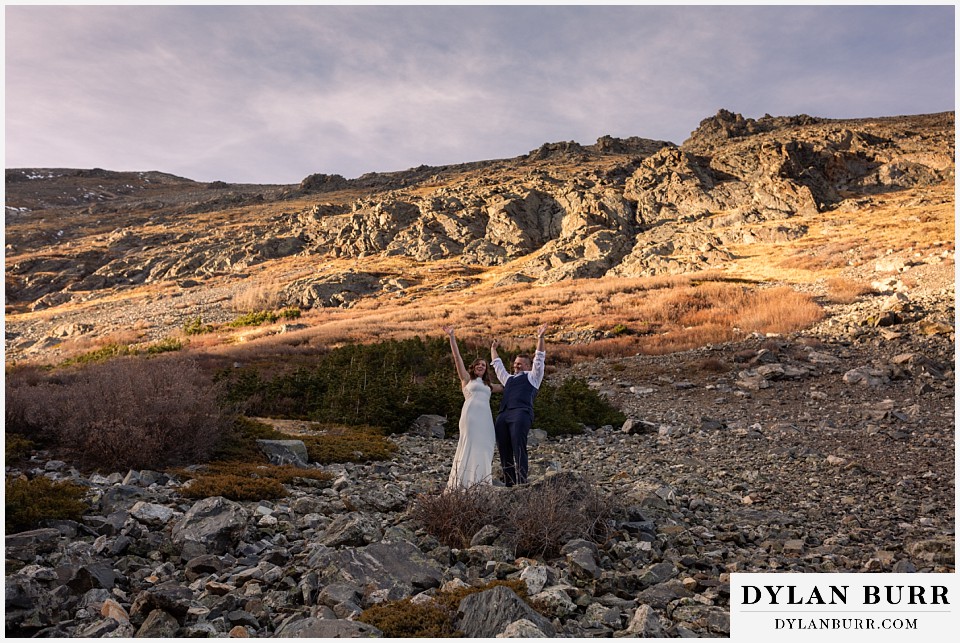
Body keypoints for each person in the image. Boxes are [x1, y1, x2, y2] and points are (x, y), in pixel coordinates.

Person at [442, 326, 502, 489]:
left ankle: (481, 482)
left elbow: (508, 384)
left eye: (484, 364)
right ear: (474, 367)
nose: (481, 366)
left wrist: (493, 350)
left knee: (486, 445)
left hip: (486, 419)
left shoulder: (489, 385)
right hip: (471, 417)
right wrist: (452, 337)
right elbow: (457, 357)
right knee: (470, 444)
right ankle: (463, 483)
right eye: (478, 364)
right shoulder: (467, 379)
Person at [490, 323, 547, 486]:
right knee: (504, 449)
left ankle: (522, 482)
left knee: (518, 446)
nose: (516, 365)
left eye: (520, 363)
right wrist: (493, 349)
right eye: (515, 363)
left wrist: (540, 337)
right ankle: (509, 483)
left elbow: (540, 358)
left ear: (528, 366)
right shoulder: (508, 379)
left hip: (521, 413)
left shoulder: (533, 376)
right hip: (503, 414)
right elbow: (497, 366)